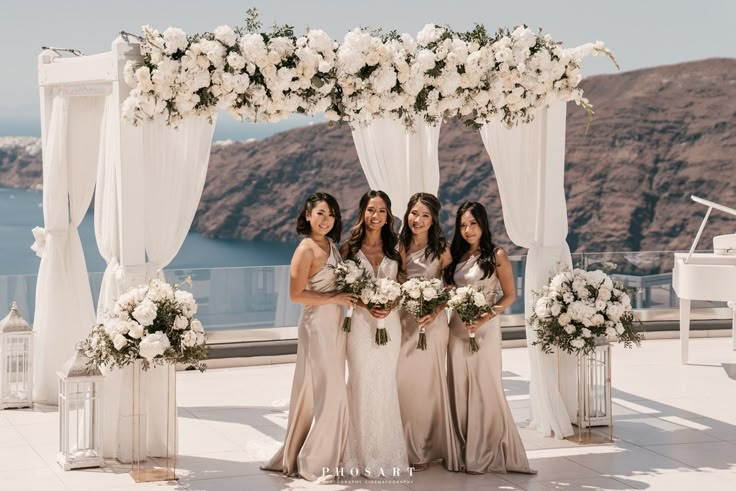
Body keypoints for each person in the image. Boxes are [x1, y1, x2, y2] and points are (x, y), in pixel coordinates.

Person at [262, 192, 357, 483]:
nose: (326, 219)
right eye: (320, 213)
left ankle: (316, 450)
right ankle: (316, 460)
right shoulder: (305, 249)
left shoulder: (331, 245)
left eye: (331, 214)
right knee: (329, 391)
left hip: (335, 324)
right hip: (317, 324)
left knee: (321, 388)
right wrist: (336, 297)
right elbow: (295, 295)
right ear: (307, 216)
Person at [444, 202, 535, 474]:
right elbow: (447, 290)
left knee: (486, 386)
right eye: (463, 225)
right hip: (457, 327)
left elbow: (510, 296)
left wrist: (484, 317)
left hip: (485, 329)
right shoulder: (455, 256)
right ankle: (463, 448)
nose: (468, 230)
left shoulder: (497, 255)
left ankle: (484, 451)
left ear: (483, 224)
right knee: (458, 386)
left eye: (473, 224)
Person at [339, 190, 409, 478]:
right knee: (360, 381)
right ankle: (357, 452)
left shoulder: (396, 249)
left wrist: (391, 303)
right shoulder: (348, 249)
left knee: (384, 383)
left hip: (389, 325)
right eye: (371, 210)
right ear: (362, 213)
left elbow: (403, 283)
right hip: (359, 324)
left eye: (381, 210)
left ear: (388, 215)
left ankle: (385, 450)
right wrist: (366, 304)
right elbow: (341, 287)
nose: (376, 216)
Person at [396, 192, 461, 471]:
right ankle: (403, 444)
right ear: (407, 214)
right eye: (414, 213)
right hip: (403, 322)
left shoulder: (443, 250)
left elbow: (451, 289)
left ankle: (426, 447)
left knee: (428, 386)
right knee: (404, 383)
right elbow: (396, 282)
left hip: (433, 326)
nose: (417, 220)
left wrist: (434, 311)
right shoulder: (399, 246)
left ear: (433, 219)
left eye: (424, 215)